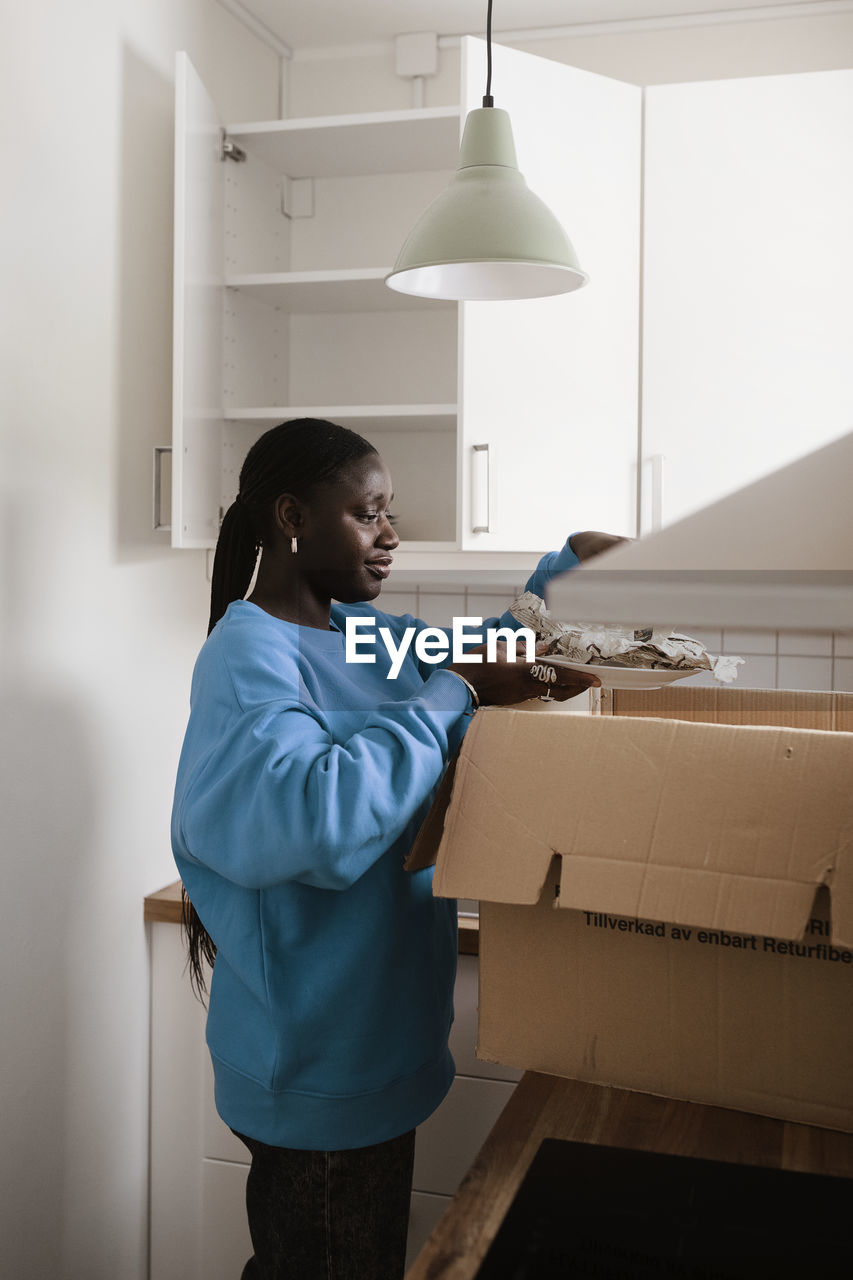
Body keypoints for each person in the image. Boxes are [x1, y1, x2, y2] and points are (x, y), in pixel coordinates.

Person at [171, 418, 607, 1280]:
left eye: (389, 514)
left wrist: (568, 566)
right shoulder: (248, 655)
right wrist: (453, 691)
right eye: (368, 515)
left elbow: (484, 650)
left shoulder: (359, 635)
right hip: (316, 1071)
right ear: (293, 516)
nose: (390, 536)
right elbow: (320, 818)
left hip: (376, 1053)